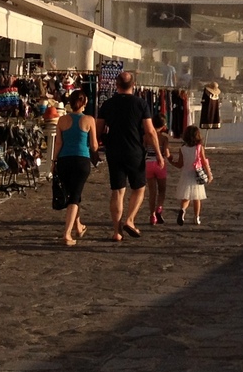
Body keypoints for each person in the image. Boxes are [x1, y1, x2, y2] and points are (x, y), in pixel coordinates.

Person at [97, 71, 163, 241]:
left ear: (116, 85)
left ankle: (117, 231)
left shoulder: (108, 104)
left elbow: (98, 129)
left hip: (114, 151)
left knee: (117, 192)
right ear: (133, 85)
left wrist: (98, 146)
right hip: (134, 151)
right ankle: (130, 220)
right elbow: (150, 131)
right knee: (139, 188)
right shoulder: (141, 104)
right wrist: (158, 153)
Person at [51, 89, 97, 246]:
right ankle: (67, 234)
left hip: (64, 159)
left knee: (73, 193)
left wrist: (54, 161)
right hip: (81, 160)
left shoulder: (62, 120)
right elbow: (94, 145)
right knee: (75, 197)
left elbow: (58, 143)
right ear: (84, 103)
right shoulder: (89, 120)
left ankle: (78, 226)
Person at [172, 123, 212, 225]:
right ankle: (196, 217)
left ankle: (183, 210)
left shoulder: (182, 148)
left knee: (186, 197)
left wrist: (171, 161)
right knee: (196, 198)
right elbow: (204, 161)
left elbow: (180, 164)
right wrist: (209, 174)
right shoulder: (199, 148)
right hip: (196, 174)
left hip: (185, 174)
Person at [145, 112, 170, 224]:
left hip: (148, 164)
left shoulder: (146, 136)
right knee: (162, 189)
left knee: (152, 192)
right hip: (160, 165)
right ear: (163, 125)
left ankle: (151, 215)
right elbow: (167, 153)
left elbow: (143, 149)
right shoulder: (164, 139)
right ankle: (159, 207)